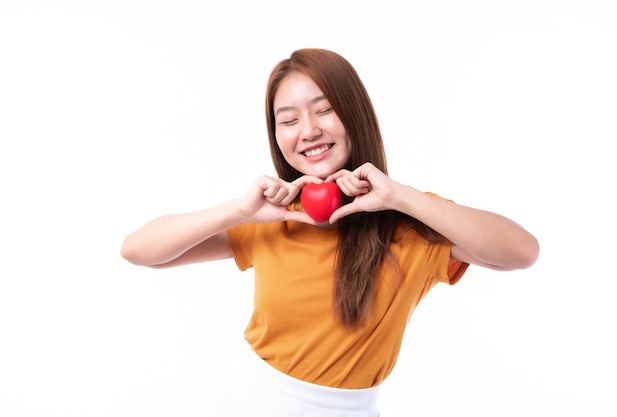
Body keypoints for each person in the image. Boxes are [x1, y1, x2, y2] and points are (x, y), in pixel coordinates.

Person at [120, 48, 539, 416]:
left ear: (354, 113)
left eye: (324, 110)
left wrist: (401, 197)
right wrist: (238, 211)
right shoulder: (273, 218)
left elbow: (522, 251)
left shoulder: (412, 225)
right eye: (289, 120)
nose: (308, 130)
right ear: (277, 136)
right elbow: (137, 250)